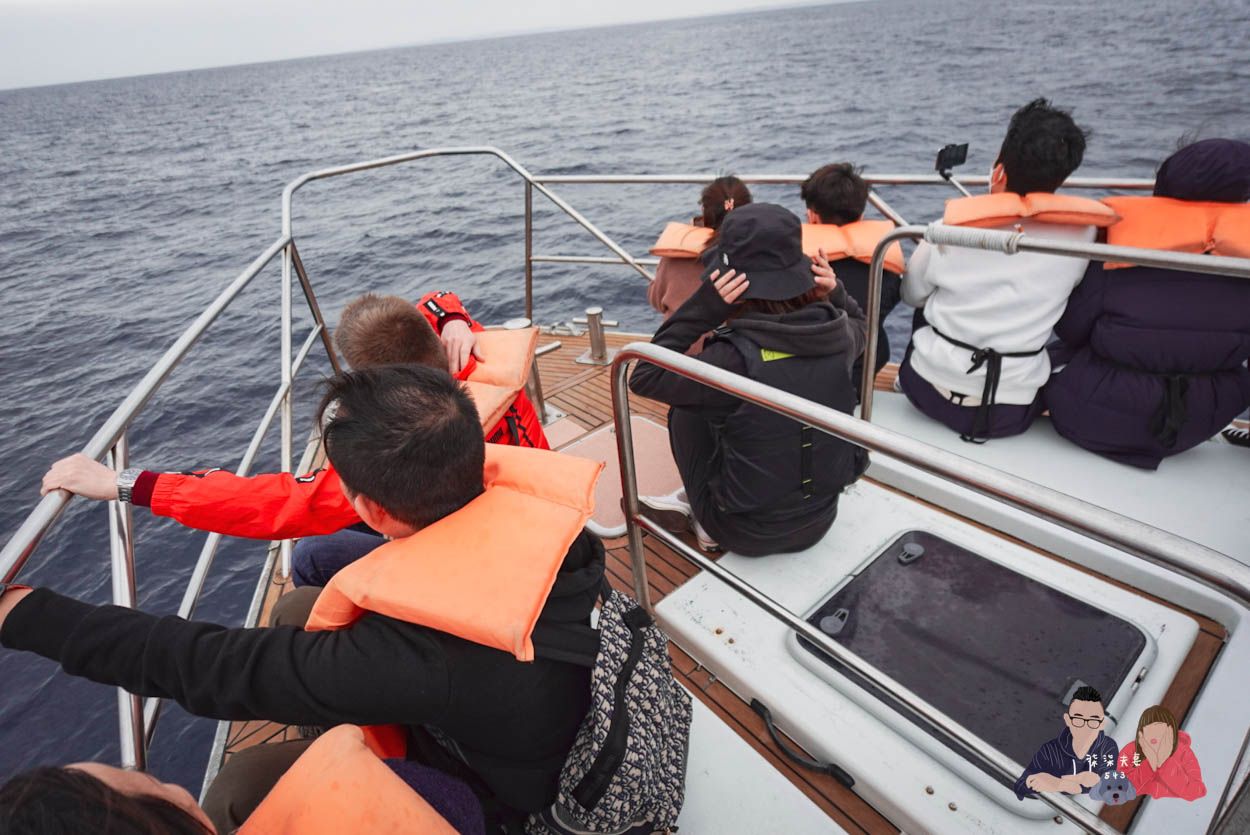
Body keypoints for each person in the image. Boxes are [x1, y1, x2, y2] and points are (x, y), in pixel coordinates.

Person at [5, 365, 606, 831]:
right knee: (301, 611)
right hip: (538, 705)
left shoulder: (420, 656)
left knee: (242, 784)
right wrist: (127, 484)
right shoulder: (531, 512)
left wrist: (22, 612)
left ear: (368, 510)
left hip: (510, 792)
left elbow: (213, 665)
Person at [40, 290, 549, 587]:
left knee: (310, 554)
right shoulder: (472, 353)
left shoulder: (404, 448)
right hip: (532, 523)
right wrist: (454, 317)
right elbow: (435, 302)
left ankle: (364, 649)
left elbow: (274, 503)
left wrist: (126, 484)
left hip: (482, 562)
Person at [630, 202, 867, 556]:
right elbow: (861, 323)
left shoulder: (726, 363)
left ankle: (704, 522)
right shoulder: (840, 336)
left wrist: (704, 307)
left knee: (686, 411)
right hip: (820, 520)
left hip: (743, 533)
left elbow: (644, 375)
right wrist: (836, 292)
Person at [898, 98, 1115, 442]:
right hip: (1007, 415)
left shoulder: (947, 229)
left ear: (999, 168)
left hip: (923, 392)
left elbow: (911, 295)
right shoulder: (1086, 238)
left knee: (926, 297)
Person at [1045, 138, 1250, 469]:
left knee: (1057, 351)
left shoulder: (1120, 251)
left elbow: (1071, 328)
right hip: (1199, 422)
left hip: (1096, 414)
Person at [0, 725, 486, 834]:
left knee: (239, 782)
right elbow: (459, 807)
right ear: (185, 814)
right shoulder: (399, 792)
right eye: (148, 780)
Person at [801, 162, 903, 382]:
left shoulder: (797, 266)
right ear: (861, 215)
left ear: (812, 216)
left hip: (810, 369)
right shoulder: (886, 266)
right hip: (865, 365)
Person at [646, 176, 752, 353]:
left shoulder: (675, 253)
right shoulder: (760, 254)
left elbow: (657, 301)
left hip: (677, 356)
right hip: (736, 358)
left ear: (704, 210)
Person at [1014, 685, 1119, 800]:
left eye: (1093, 721)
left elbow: (1107, 789)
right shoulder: (1050, 750)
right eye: (1078, 719)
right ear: (1068, 720)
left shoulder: (1108, 748)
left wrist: (1059, 783)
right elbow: (1019, 787)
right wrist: (1066, 783)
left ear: (1102, 724)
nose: (1085, 727)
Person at [1118, 705, 1206, 801]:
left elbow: (1197, 791)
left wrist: (1165, 762)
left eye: (1158, 727)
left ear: (1169, 730)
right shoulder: (1131, 750)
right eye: (1148, 728)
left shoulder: (1183, 753)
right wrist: (1150, 764)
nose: (1152, 733)